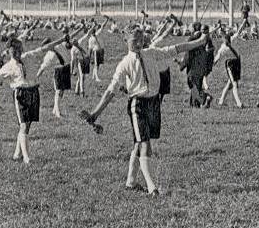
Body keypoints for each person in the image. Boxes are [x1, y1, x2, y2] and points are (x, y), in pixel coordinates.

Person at [82, 28, 210, 196]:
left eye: (141, 39)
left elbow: (177, 48)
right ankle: (152, 187)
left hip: (153, 104)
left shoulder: (151, 53)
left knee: (139, 142)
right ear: (125, 40)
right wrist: (95, 114)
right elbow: (110, 91)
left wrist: (200, 42)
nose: (138, 43)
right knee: (145, 144)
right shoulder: (124, 64)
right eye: (134, 40)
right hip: (138, 105)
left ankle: (131, 182)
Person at [0, 34, 67, 163]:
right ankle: (27, 159)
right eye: (14, 51)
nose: (17, 53)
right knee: (23, 125)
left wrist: (61, 39)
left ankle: (17, 154)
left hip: (34, 92)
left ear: (22, 49)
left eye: (18, 49)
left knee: (27, 126)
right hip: (21, 95)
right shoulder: (8, 66)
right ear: (9, 52)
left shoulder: (29, 56)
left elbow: (46, 47)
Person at [212, 29, 245, 108]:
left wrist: (245, 20)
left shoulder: (233, 40)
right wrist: (210, 65)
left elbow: (239, 31)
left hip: (237, 62)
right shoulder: (222, 49)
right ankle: (239, 103)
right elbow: (216, 59)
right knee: (234, 84)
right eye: (225, 40)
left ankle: (221, 101)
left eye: (228, 40)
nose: (227, 42)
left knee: (230, 83)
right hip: (230, 65)